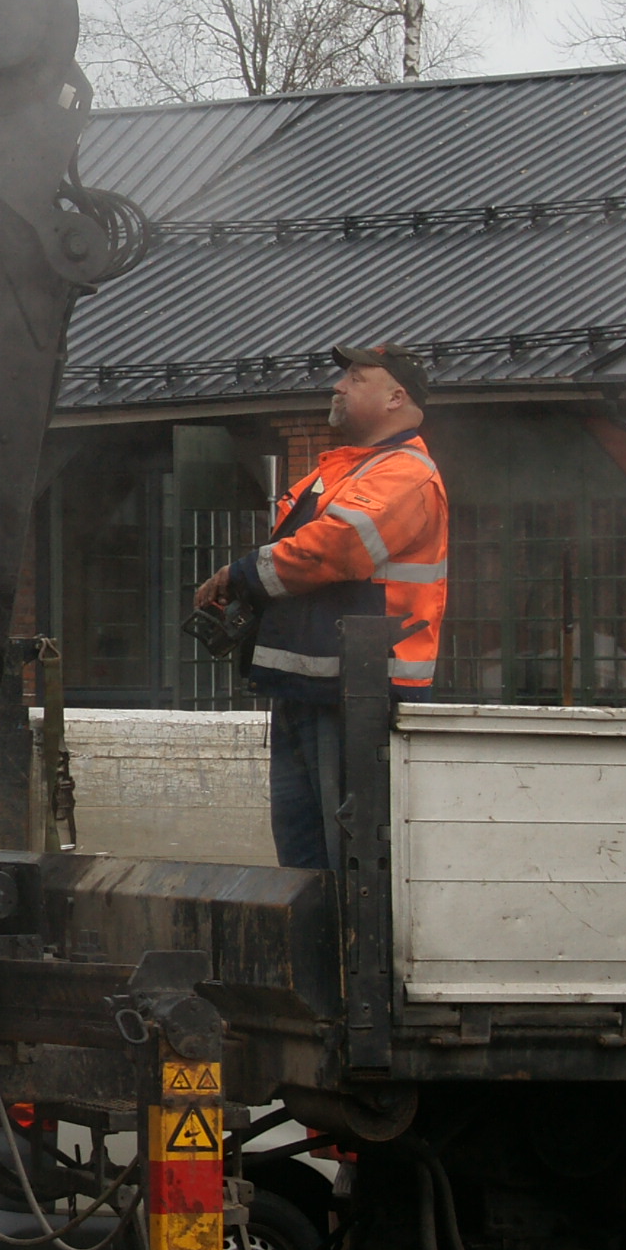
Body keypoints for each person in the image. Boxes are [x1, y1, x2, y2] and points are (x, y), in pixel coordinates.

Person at [192, 341, 449, 1011]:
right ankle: (320, 992)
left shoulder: (405, 475)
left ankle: (354, 997)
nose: (338, 387)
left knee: (345, 857)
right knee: (307, 859)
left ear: (396, 397)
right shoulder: (341, 471)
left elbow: (336, 549)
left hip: (358, 696)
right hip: (308, 689)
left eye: (356, 378)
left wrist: (240, 575)